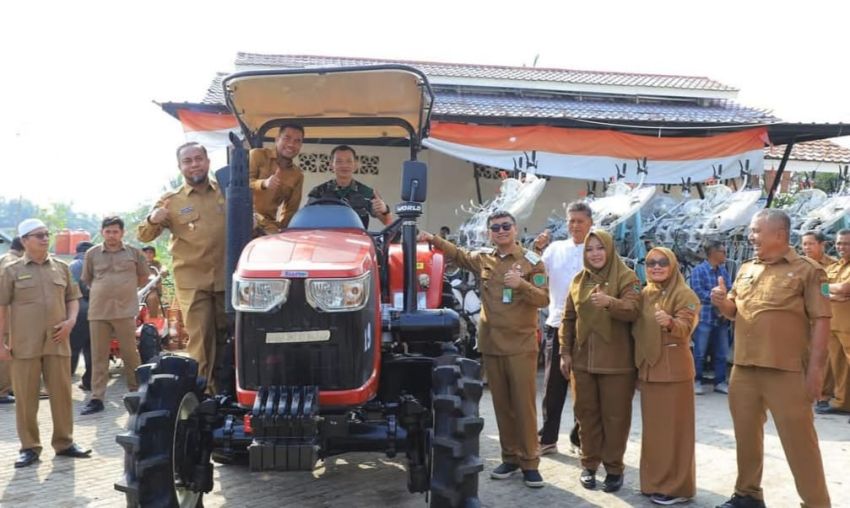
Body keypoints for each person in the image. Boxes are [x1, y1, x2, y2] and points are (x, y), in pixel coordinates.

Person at [419, 211, 549, 488]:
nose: (501, 231)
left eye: (505, 226)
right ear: (490, 232)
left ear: (514, 229)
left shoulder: (532, 260)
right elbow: (460, 253)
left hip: (520, 344)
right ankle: (510, 457)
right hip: (492, 343)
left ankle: (530, 462)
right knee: (501, 405)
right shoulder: (484, 258)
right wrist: (432, 238)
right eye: (495, 228)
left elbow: (543, 297)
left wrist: (522, 284)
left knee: (523, 407)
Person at [711, 209, 831, 508]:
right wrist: (722, 302)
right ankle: (747, 495)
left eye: (756, 231)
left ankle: (816, 503)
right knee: (746, 437)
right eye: (751, 231)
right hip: (744, 368)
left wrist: (816, 370)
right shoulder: (747, 268)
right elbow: (733, 312)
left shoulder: (809, 271)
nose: (751, 237)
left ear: (779, 234)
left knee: (800, 443)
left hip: (786, 371)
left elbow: (822, 321)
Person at [0, 219, 91, 468]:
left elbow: (73, 298)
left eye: (46, 234)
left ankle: (64, 443)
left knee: (62, 395)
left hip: (57, 341)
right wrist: (1, 342)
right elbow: (2, 307)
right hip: (24, 344)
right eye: (38, 235)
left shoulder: (61, 268)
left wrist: (71, 321)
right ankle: (29, 447)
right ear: (25, 240)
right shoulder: (11, 270)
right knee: (26, 398)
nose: (44, 238)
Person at [138, 142, 227, 393]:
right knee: (200, 339)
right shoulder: (171, 201)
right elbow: (144, 235)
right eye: (188, 161)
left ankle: (223, 389)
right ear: (180, 167)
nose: (194, 164)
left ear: (208, 162)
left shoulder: (226, 191)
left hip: (226, 278)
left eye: (198, 158)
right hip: (193, 282)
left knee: (226, 337)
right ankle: (203, 395)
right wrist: (152, 219)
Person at [559, 229, 640, 493]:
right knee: (586, 415)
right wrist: (565, 352)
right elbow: (568, 319)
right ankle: (589, 466)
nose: (595, 253)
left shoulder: (627, 277)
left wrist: (610, 302)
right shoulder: (578, 280)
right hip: (582, 363)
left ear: (609, 248)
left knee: (616, 418)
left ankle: (614, 469)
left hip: (617, 364)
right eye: (589, 249)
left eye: (599, 248)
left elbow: (633, 310)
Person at [633, 247, 700, 506]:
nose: (656, 267)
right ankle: (653, 483)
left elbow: (686, 327)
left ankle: (679, 488)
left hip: (674, 373)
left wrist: (670, 322)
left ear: (673, 266)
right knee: (654, 433)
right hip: (649, 371)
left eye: (662, 262)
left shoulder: (685, 294)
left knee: (676, 432)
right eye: (650, 263)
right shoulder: (645, 293)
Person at [532, 200, 593, 455]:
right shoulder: (554, 249)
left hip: (588, 328)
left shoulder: (597, 250)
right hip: (556, 324)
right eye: (571, 221)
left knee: (584, 387)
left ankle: (580, 439)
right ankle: (547, 438)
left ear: (590, 222)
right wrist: (534, 251)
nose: (575, 225)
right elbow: (537, 275)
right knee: (553, 385)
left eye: (580, 221)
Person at [80, 217, 149, 415]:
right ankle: (96, 398)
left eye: (115, 231)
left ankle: (136, 394)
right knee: (98, 355)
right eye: (108, 231)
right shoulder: (92, 254)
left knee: (130, 353)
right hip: (99, 311)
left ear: (122, 233)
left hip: (125, 311)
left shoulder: (134, 253)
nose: (112, 235)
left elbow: (143, 277)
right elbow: (88, 278)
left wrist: (123, 290)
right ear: (102, 232)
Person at [308, 145, 392, 229]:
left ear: (355, 165)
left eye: (349, 161)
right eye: (339, 161)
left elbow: (387, 221)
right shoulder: (319, 192)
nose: (344, 165)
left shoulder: (366, 192)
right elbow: (307, 218)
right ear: (331, 165)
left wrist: (384, 210)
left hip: (357, 240)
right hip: (326, 240)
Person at [801, 230, 840, 409]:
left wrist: (826, 293)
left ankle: (823, 395)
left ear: (822, 245)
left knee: (826, 358)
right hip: (803, 318)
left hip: (826, 318)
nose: (806, 248)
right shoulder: (799, 265)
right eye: (804, 244)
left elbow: (827, 291)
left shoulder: (833, 265)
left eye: (811, 243)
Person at [689, 240, 732, 394]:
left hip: (720, 317)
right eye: (723, 252)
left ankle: (720, 381)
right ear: (713, 253)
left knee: (722, 351)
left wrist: (723, 304)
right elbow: (697, 292)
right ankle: (696, 380)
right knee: (700, 352)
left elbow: (730, 290)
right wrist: (716, 298)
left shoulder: (723, 271)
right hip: (704, 317)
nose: (725, 255)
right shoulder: (698, 271)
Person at [249, 124, 305, 234]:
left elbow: (290, 210)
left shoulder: (297, 175)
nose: (291, 144)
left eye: (297, 141)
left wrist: (283, 231)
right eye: (287, 138)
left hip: (268, 226)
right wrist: (263, 183)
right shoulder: (257, 155)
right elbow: (241, 183)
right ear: (277, 139)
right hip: (246, 216)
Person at [820, 229, 850, 417]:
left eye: (846, 244)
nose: (841, 247)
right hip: (833, 324)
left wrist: (829, 291)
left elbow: (845, 287)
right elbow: (818, 288)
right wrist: (835, 294)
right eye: (839, 243)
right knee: (838, 366)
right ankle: (842, 402)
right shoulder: (834, 266)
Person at [0, 236, 24, 404]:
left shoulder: (4, 258)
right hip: (7, 315)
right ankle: (3, 391)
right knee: (6, 354)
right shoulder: (12, 262)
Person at [68, 240, 94, 392]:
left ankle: (64, 381)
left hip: (78, 309)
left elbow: (69, 290)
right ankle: (89, 382)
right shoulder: (97, 264)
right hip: (98, 310)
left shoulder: (72, 266)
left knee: (72, 348)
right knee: (92, 349)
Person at [141, 245, 165, 318]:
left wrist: (163, 271)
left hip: (153, 290)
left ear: (154, 255)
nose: (148, 255)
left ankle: (153, 320)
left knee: (152, 298)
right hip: (140, 290)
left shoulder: (157, 264)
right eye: (146, 253)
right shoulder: (139, 264)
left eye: (150, 253)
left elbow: (164, 269)